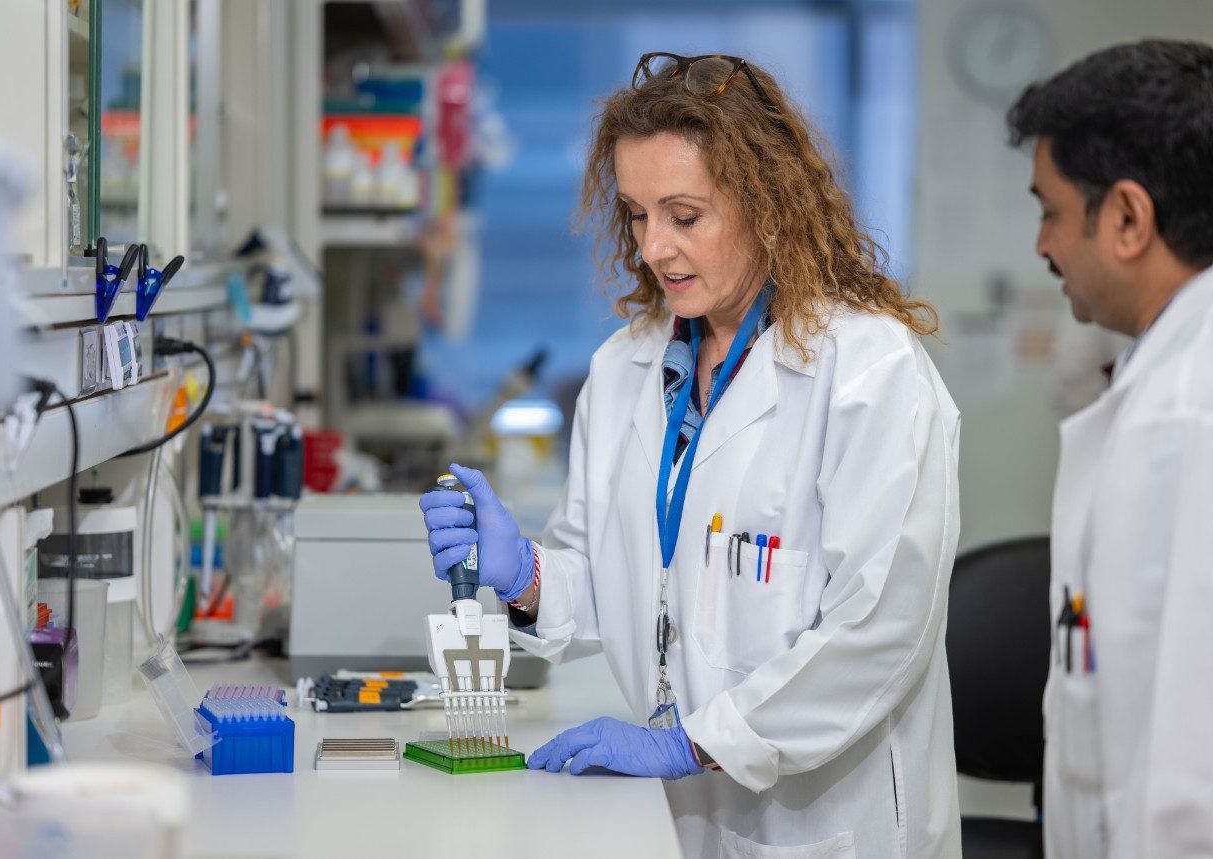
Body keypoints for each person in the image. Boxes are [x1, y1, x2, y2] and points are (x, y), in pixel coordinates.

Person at [422, 53, 962, 858]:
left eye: (684, 215)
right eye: (637, 215)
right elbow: (623, 581)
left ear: (770, 206)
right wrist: (528, 576)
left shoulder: (867, 370)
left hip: (828, 818)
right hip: (674, 813)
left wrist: (698, 741)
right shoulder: (622, 370)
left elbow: (880, 628)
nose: (653, 248)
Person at [1007, 39, 1213, 858]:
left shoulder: (1188, 415)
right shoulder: (1162, 380)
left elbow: (1186, 785)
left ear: (1127, 218)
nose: (1042, 244)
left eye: (1050, 210)